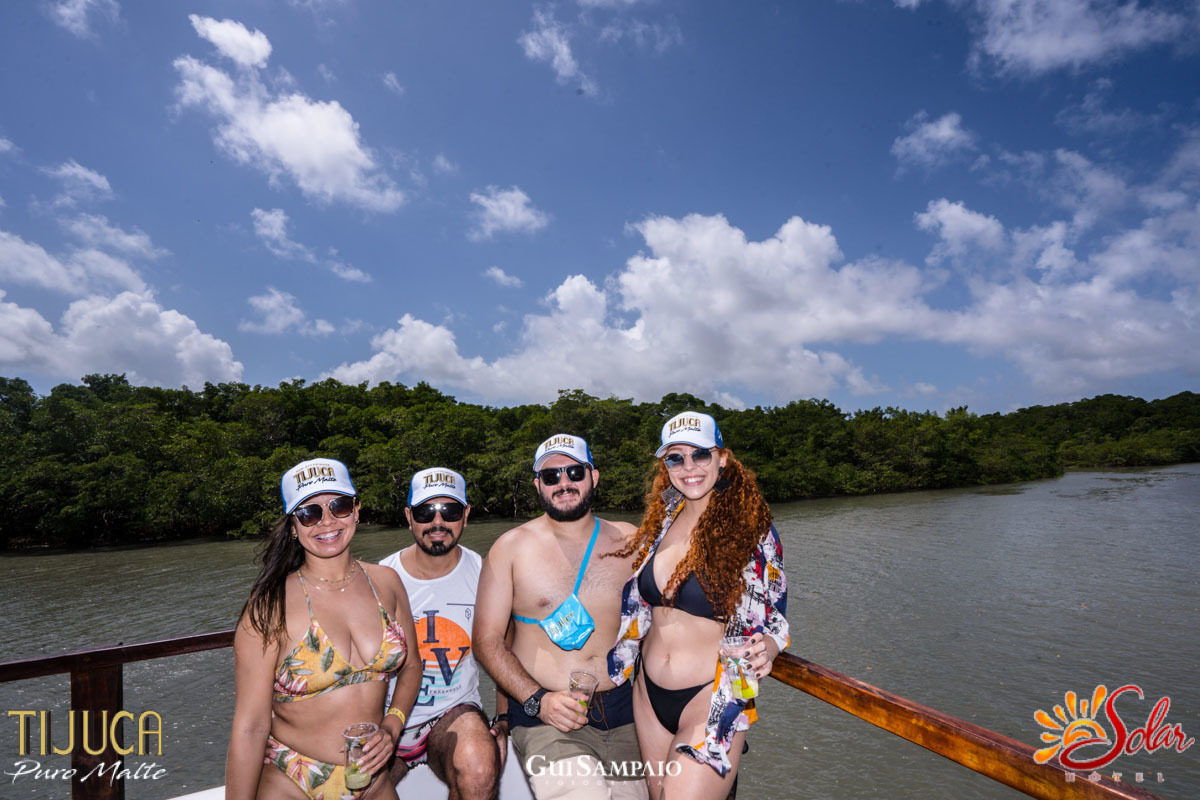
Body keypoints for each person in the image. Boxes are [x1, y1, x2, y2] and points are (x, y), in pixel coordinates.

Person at [606, 412, 788, 800]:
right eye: (676, 457)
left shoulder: (751, 529)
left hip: (712, 694)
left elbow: (775, 613)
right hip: (648, 694)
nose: (688, 467)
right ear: (665, 465)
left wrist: (770, 646)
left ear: (722, 458)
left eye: (700, 454)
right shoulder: (659, 524)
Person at [226, 457, 422, 800]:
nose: (327, 521)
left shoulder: (386, 583)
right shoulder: (270, 605)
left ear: (356, 510)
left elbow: (412, 666)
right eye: (309, 513)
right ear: (293, 526)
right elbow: (251, 726)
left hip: (371, 778)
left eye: (339, 506)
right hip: (292, 778)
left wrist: (392, 725)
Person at [474, 434, 649, 800]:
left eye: (574, 472)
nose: (564, 483)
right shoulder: (509, 548)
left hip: (624, 713)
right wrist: (538, 700)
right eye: (551, 476)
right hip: (544, 719)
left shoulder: (632, 541)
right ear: (538, 484)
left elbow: (671, 612)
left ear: (594, 476)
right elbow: (487, 641)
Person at [379, 467, 507, 800]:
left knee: (480, 768)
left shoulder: (485, 574)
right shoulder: (381, 578)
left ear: (465, 514)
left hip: (454, 713)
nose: (438, 522)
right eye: (425, 511)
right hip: (386, 718)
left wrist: (504, 719)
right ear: (409, 517)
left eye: (449, 510)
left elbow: (503, 649)